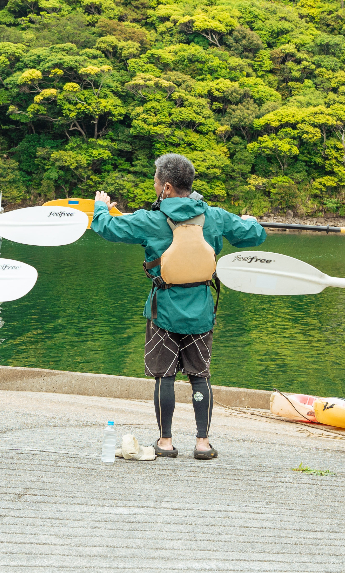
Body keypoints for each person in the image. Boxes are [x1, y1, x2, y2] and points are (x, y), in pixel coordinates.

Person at [92, 154, 266, 460]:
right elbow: (255, 234)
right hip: (201, 311)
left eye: (156, 181)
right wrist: (251, 222)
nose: (154, 185)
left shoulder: (150, 220)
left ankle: (166, 442)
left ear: (167, 187)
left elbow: (105, 227)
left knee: (165, 376)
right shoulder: (213, 216)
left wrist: (100, 206)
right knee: (200, 376)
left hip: (164, 312)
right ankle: (202, 443)